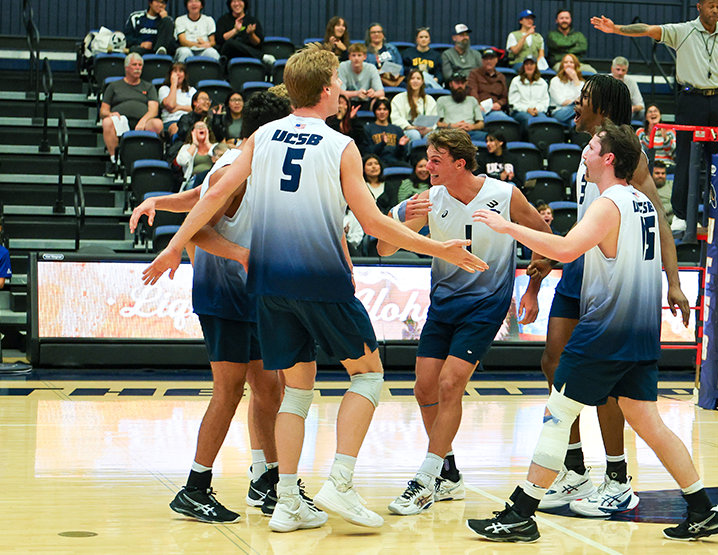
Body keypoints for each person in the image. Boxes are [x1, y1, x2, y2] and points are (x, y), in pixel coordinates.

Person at [142, 45, 488, 533]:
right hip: (320, 280)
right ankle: (339, 482)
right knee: (368, 377)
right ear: (326, 89)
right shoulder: (340, 146)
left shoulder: (263, 136)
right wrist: (439, 249)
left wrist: (174, 245)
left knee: (295, 393)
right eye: (339, 83)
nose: (344, 90)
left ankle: (286, 501)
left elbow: (214, 192)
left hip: (267, 284)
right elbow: (372, 222)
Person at [467, 122, 718, 543]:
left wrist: (509, 228)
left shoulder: (609, 204)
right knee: (648, 422)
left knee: (557, 416)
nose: (584, 153)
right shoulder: (642, 202)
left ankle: (520, 513)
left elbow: (567, 249)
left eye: (591, 147)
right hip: (641, 333)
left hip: (605, 331)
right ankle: (702, 507)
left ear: (609, 159)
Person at [528, 74, 689, 517]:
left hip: (611, 277)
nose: (575, 104)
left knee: (610, 384)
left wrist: (673, 281)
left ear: (602, 105)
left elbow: (656, 220)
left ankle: (616, 475)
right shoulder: (589, 154)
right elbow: (590, 223)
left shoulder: (626, 157)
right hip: (579, 265)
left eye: (583, 99)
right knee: (552, 362)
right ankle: (575, 469)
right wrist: (556, 258)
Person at [130, 90, 291, 525]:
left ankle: (268, 480)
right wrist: (232, 253)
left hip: (252, 294)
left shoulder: (254, 165)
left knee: (269, 387)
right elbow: (199, 227)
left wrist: (158, 200)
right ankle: (195, 488)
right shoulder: (233, 166)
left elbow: (198, 199)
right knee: (229, 389)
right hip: (223, 293)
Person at [377, 128, 551, 516]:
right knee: (424, 388)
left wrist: (533, 289)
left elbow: (545, 238)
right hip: (443, 303)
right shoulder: (427, 199)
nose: (427, 165)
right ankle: (449, 474)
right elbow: (383, 248)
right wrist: (404, 218)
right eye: (427, 158)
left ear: (460, 163)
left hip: (487, 304)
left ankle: (425, 479)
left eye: (436, 159)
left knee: (450, 382)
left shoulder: (505, 195)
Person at [592, 0, 718, 235]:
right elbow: (647, 29)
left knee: (717, 162)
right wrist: (617, 28)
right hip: (691, 100)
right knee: (684, 158)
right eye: (710, 5)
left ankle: (715, 216)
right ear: (699, 6)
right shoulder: (683, 31)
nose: (715, 10)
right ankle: (681, 216)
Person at [100, 53, 164, 159]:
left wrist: (143, 121)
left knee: (157, 124)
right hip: (120, 120)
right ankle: (115, 159)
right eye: (134, 65)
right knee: (107, 122)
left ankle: (149, 157)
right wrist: (110, 114)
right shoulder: (114, 86)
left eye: (140, 65)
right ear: (126, 68)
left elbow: (153, 110)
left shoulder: (148, 86)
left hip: (143, 122)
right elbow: (103, 111)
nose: (138, 68)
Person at [435, 71, 486, 142]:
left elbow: (481, 123)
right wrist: (451, 126)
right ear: (450, 84)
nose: (460, 86)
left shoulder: (472, 100)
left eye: (462, 83)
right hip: (450, 133)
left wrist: (472, 126)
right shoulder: (442, 100)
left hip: (469, 133)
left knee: (487, 137)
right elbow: (437, 123)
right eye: (457, 83)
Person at [391, 69, 437, 142]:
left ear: (422, 82)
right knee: (415, 134)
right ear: (408, 81)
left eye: (418, 78)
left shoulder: (429, 99)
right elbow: (395, 118)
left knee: (434, 135)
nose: (415, 81)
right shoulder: (398, 98)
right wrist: (411, 127)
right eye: (412, 78)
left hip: (425, 130)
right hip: (407, 129)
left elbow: (433, 118)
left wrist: (428, 129)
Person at [364, 98, 409, 168]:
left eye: (385, 109)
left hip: (395, 161)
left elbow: (401, 155)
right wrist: (382, 144)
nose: (382, 112)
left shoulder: (397, 129)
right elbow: (367, 152)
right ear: (374, 111)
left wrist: (401, 146)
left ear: (389, 111)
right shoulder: (368, 129)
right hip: (377, 163)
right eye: (379, 109)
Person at [509, 55, 549, 133]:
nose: (529, 66)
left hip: (537, 111)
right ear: (523, 66)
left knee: (543, 120)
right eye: (526, 64)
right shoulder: (516, 81)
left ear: (536, 66)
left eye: (532, 64)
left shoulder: (542, 83)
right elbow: (514, 103)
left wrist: (537, 109)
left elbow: (545, 102)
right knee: (528, 119)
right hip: (520, 111)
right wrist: (527, 109)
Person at [176, 120, 218, 188]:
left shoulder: (215, 146)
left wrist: (207, 143)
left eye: (203, 127)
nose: (201, 128)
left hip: (213, 179)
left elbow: (222, 159)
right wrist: (194, 144)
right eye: (198, 127)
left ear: (208, 131)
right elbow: (181, 161)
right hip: (194, 181)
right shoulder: (187, 147)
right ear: (192, 132)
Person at [159, 62, 197, 137]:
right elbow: (171, 105)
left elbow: (197, 108)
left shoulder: (192, 90)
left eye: (181, 71)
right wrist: (174, 84)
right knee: (177, 129)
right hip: (171, 121)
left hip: (190, 120)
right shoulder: (164, 89)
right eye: (175, 71)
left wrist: (179, 107)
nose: (178, 74)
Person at [468, 50, 508, 115]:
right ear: (482, 61)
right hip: (480, 108)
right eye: (486, 59)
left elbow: (504, 97)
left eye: (491, 59)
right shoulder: (474, 74)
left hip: (496, 109)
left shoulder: (501, 77)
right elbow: (472, 92)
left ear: (496, 60)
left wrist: (499, 103)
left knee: (503, 119)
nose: (488, 61)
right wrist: (478, 106)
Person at [365, 23, 404, 88]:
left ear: (383, 35)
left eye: (379, 32)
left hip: (393, 79)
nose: (376, 34)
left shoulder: (392, 48)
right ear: (369, 35)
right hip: (374, 80)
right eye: (373, 32)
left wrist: (398, 74)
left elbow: (400, 65)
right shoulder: (365, 50)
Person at [548, 54, 584, 124]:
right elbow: (561, 101)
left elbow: (582, 99)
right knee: (583, 108)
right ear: (562, 65)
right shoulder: (555, 81)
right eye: (566, 62)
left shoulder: (580, 83)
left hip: (576, 113)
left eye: (571, 62)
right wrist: (575, 102)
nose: (568, 64)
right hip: (560, 111)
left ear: (575, 65)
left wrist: (575, 78)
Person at [652, 160, 674, 225]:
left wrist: (665, 210)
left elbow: (678, 203)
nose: (660, 176)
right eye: (657, 173)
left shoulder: (672, 185)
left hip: (672, 219)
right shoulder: (647, 188)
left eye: (663, 173)